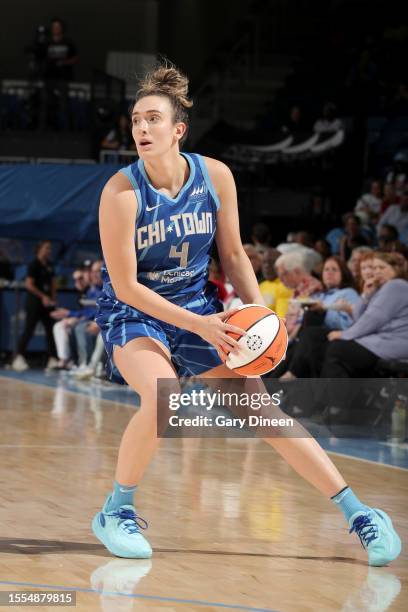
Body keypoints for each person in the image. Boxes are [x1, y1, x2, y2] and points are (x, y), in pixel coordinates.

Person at [92, 61, 401, 566]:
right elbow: (125, 285)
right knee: (164, 398)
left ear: (178, 130)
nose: (141, 129)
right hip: (137, 313)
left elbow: (233, 255)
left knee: (262, 413)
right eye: (135, 120)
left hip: (199, 307)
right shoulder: (121, 194)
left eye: (152, 119)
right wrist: (200, 325)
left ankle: (360, 513)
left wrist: (259, 316)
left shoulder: (215, 176)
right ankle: (116, 510)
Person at [280, 256, 361, 379]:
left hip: (336, 337)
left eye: (334, 270)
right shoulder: (320, 295)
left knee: (310, 333)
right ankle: (268, 385)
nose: (329, 273)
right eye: (326, 269)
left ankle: (293, 373)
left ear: (343, 274)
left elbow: (349, 325)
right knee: (294, 347)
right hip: (313, 338)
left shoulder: (349, 293)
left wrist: (324, 311)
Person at [12, 240, 58, 372]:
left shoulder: (50, 265)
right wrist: (43, 296)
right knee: (29, 329)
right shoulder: (34, 265)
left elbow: (53, 283)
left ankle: (53, 358)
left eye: (50, 248)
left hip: (48, 303)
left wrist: (53, 299)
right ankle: (18, 358)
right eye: (46, 248)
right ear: (39, 249)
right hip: (34, 303)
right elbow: (29, 284)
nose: (49, 251)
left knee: (51, 330)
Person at [50, 268, 89, 369]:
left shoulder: (92, 289)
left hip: (91, 320)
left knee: (68, 326)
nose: (78, 282)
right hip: (83, 319)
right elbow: (82, 312)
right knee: (60, 325)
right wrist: (70, 316)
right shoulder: (80, 292)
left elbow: (91, 311)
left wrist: (69, 314)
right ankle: (64, 360)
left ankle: (72, 361)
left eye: (80, 278)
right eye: (75, 280)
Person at [259, 248, 293, 318]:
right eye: (264, 262)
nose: (267, 266)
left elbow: (281, 319)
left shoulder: (285, 287)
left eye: (271, 262)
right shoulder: (261, 285)